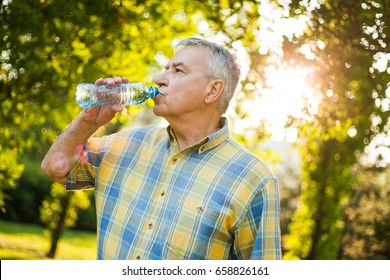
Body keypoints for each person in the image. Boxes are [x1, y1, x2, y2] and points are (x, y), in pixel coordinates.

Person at [41, 37, 281, 260]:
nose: (158, 78)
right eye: (166, 68)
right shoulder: (126, 143)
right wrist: (87, 122)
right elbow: (55, 168)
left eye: (178, 71)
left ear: (212, 90)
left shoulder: (253, 179)